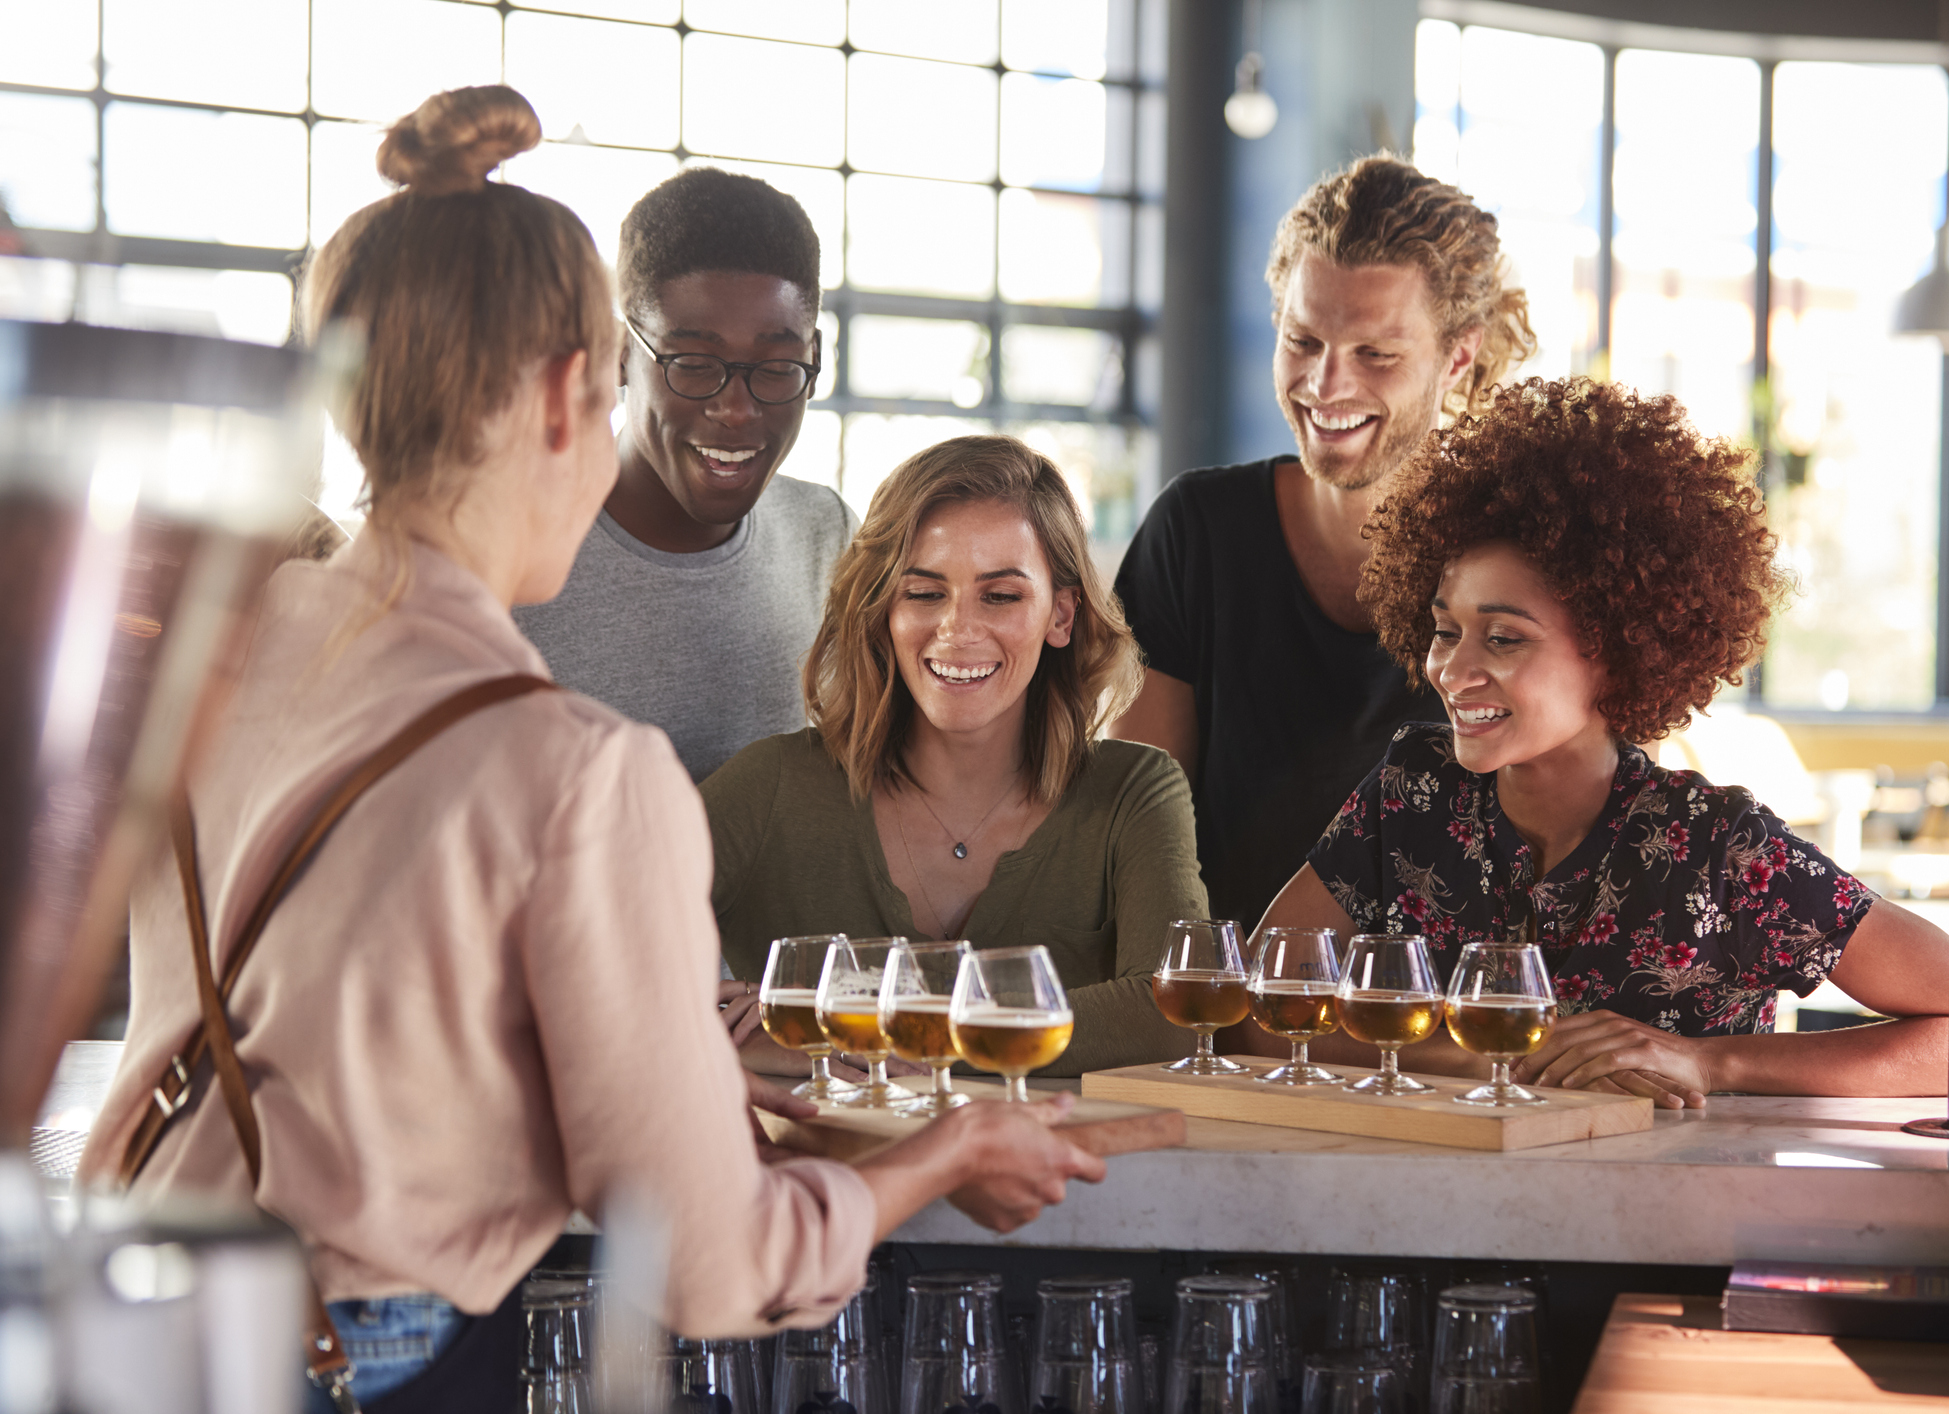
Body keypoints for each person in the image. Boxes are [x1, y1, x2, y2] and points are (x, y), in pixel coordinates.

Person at [79, 88, 1108, 1411]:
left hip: (132, 1321)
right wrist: (945, 1151)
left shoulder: (220, 648)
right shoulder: (581, 771)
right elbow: (708, 1259)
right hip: (368, 1358)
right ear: (581, 388)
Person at [1235, 376, 1949, 1105]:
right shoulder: (1411, 793)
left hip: (1668, 1229)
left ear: (1615, 648)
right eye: (1446, 630)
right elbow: (1261, 1012)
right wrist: (1509, 1058)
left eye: (1505, 639)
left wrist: (1707, 1062)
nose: (1454, 669)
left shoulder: (1718, 849)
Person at [1111, 154, 1535, 930]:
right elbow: (1140, 825)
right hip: (1226, 1015)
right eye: (1302, 341)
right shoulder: (1197, 531)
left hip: (1443, 1025)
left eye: (1376, 354)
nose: (1326, 386)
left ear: (1458, 358)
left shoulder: (1528, 562)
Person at [702, 435, 1209, 1076]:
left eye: (1000, 596)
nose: (958, 630)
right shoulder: (770, 785)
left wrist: (850, 1028)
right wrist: (711, 1027)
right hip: (827, 1175)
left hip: (1068, 1177)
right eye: (923, 593)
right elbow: (583, 947)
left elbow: (1168, 1013)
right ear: (882, 607)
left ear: (1061, 614)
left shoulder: (1135, 792)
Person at [513, 165, 856, 783]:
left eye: (777, 366)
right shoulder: (511, 557)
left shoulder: (825, 538)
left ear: (815, 358)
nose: (737, 409)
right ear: (620, 353)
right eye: (694, 363)